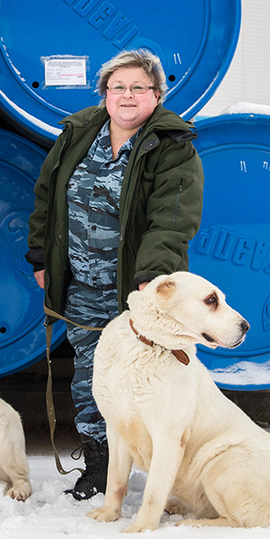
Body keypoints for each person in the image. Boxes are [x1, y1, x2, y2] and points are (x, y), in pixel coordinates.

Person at [26, 49, 204, 500]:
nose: (127, 95)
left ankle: (160, 465)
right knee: (91, 376)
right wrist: (41, 258)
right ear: (104, 93)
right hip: (82, 286)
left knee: (145, 379)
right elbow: (48, 196)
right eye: (117, 87)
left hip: (137, 292)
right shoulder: (78, 135)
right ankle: (100, 467)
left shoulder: (172, 148)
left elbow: (172, 220)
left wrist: (153, 279)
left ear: (157, 95)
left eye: (138, 88)